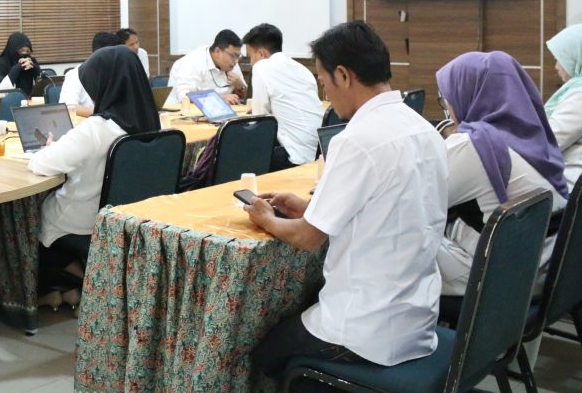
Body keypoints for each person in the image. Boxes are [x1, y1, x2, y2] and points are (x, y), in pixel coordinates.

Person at [247, 21, 448, 378]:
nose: (325, 93)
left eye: (323, 81)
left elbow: (308, 238)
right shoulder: (424, 129)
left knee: (259, 355)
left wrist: (267, 219)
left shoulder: (356, 139)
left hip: (363, 328)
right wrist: (309, 207)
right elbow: (388, 208)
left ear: (343, 75)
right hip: (417, 317)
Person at [435, 51, 568, 297]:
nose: (448, 109)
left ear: (470, 94)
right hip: (546, 268)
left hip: (500, 283)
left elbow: (414, 199)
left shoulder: (475, 144)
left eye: (446, 99)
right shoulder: (536, 136)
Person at [29, 46, 159, 281]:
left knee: (33, 218)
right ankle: (77, 282)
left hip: (85, 222)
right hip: (134, 221)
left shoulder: (97, 129)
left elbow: (41, 165)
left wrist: (48, 148)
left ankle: (73, 281)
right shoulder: (153, 123)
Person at [242, 23, 323, 169]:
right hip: (320, 155)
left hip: (295, 157)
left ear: (261, 54)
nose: (251, 62)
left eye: (250, 56)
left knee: (240, 153)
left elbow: (260, 122)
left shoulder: (262, 67)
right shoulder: (303, 69)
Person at [545, 24, 582, 188]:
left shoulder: (580, 96)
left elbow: (549, 141)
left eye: (559, 59)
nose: (556, 67)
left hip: (569, 186)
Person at [167, 29, 247, 104]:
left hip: (220, 111)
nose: (236, 61)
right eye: (233, 56)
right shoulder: (192, 62)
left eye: (238, 56)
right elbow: (185, 97)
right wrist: (220, 98)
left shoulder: (232, 63)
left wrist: (241, 86)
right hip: (182, 111)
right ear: (217, 51)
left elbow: (246, 96)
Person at [59, 31, 120, 117]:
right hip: (87, 122)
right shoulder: (74, 75)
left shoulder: (119, 74)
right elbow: (69, 107)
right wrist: (103, 114)